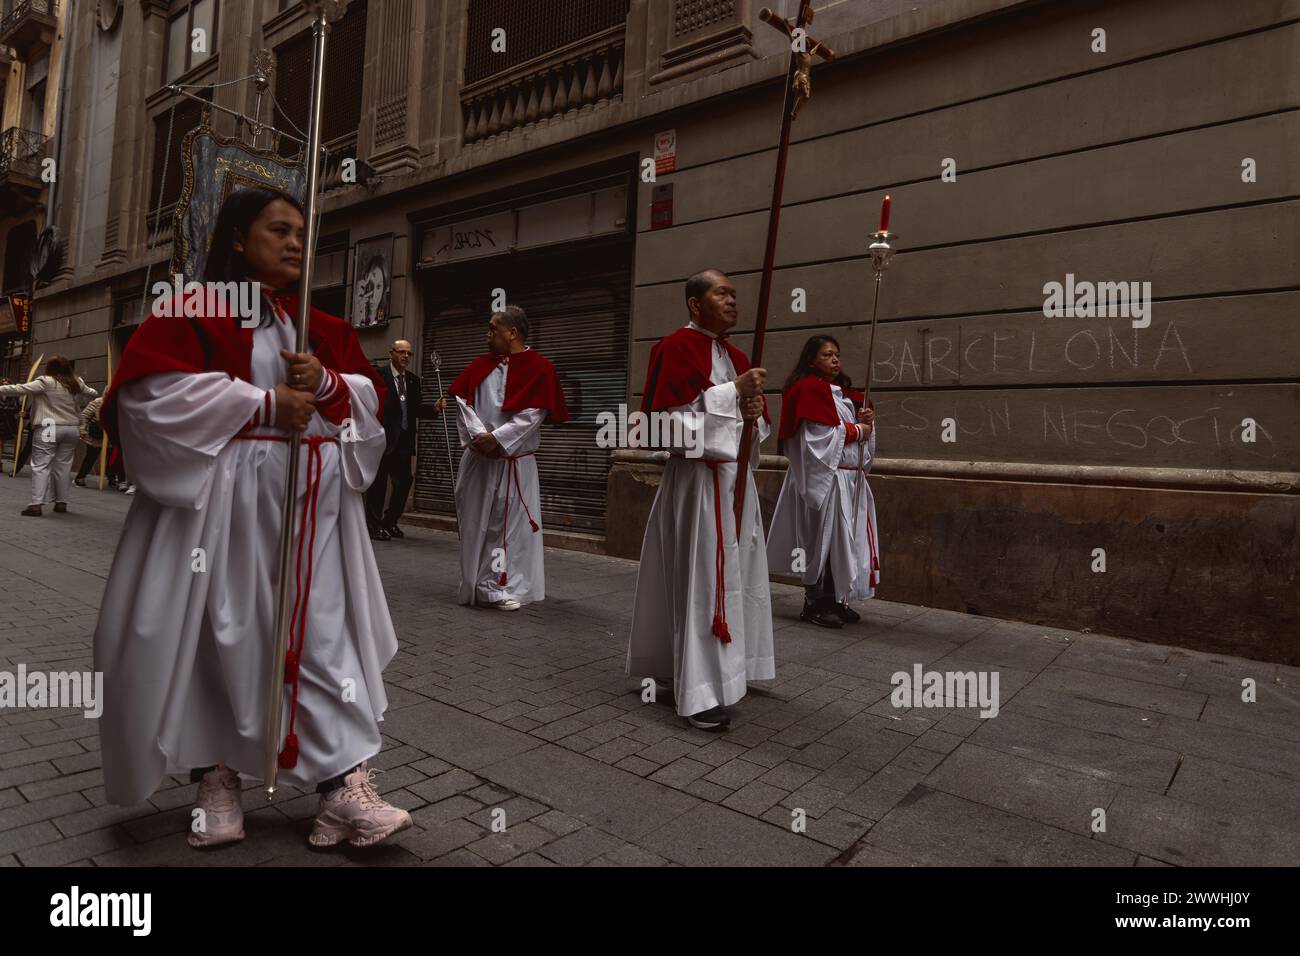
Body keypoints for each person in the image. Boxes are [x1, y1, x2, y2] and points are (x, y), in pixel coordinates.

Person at [94, 187, 411, 850]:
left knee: (324, 637)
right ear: (238, 238)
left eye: (302, 231)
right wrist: (263, 404)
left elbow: (368, 404)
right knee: (219, 633)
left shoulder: (319, 327)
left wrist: (328, 386)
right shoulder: (193, 309)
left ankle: (342, 787)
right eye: (279, 229)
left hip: (313, 513)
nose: (296, 242)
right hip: (218, 510)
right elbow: (147, 399)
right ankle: (218, 777)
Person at [625, 269, 774, 730]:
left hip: (733, 481)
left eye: (734, 294)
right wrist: (733, 394)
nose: (732, 301)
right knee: (701, 582)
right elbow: (666, 425)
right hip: (698, 482)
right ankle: (700, 692)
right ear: (695, 303)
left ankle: (727, 672)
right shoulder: (674, 348)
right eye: (721, 293)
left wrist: (754, 414)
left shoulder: (736, 355)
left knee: (735, 575)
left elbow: (753, 428)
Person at [434, 305, 568, 611]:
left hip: (513, 462)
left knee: (505, 528)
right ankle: (473, 583)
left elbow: (534, 414)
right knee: (475, 522)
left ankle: (497, 586)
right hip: (479, 460)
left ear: (512, 333)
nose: (488, 334)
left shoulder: (540, 368)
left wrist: (497, 439)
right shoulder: (479, 366)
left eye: (493, 328)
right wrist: (479, 438)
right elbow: (462, 403)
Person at [766, 335, 878, 628]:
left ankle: (837, 598)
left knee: (845, 542)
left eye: (837, 354)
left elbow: (854, 432)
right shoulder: (807, 391)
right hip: (823, 478)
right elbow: (818, 438)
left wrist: (866, 420)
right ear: (811, 359)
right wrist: (858, 430)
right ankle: (815, 602)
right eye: (827, 354)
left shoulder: (845, 394)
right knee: (821, 541)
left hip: (849, 479)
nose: (835, 360)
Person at [0, 356, 97, 516]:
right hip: (71, 428)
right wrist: (81, 383)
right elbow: (93, 393)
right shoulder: (75, 382)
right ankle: (61, 502)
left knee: (41, 465)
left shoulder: (45, 381)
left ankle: (36, 504)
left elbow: (19, 389)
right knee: (63, 466)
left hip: (49, 427)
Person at [366, 339, 425, 541]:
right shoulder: (378, 377)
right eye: (402, 352)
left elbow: (415, 409)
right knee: (379, 483)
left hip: (404, 441)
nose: (406, 357)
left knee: (404, 482)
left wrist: (434, 409)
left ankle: (390, 522)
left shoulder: (413, 381)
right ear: (391, 353)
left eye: (409, 353)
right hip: (383, 438)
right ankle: (373, 526)